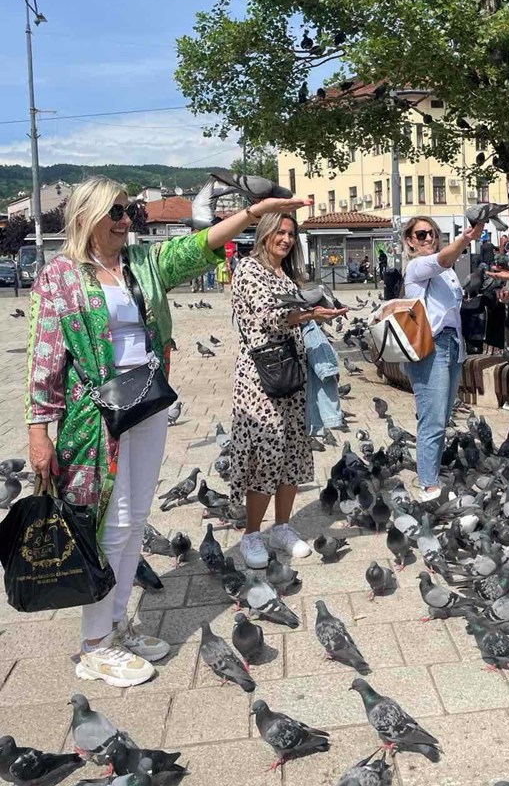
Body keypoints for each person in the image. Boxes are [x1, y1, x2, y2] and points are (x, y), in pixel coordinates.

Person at [25, 176, 289, 689]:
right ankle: (95, 644)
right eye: (117, 213)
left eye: (129, 212)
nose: (127, 221)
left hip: (146, 404)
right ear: (86, 218)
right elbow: (43, 357)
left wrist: (255, 214)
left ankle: (117, 625)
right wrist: (39, 430)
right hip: (94, 416)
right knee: (113, 524)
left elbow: (197, 245)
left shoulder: (140, 264)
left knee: (137, 518)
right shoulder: (58, 277)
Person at [230, 210, 343, 568]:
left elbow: (293, 313)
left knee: (294, 449)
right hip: (260, 376)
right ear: (264, 234)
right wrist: (310, 314)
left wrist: (318, 312)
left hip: (291, 371)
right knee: (267, 451)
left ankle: (281, 526)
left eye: (291, 233)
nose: (286, 239)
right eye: (280, 232)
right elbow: (269, 316)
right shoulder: (249, 270)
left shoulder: (286, 274)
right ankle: (251, 534)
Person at [401, 215, 485, 501]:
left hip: (452, 344)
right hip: (430, 348)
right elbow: (445, 259)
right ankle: (427, 484)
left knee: (442, 417)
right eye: (421, 234)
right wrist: (467, 238)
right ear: (410, 241)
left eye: (432, 233)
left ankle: (431, 473)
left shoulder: (445, 273)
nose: (428, 239)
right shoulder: (416, 266)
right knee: (432, 418)